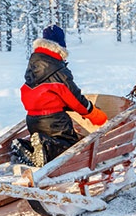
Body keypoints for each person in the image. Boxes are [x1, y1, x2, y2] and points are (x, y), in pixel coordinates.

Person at [12, 24, 108, 167]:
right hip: (55, 121)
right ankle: (45, 147)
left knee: (47, 146)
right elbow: (75, 99)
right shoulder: (57, 69)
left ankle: (25, 146)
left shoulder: (34, 65)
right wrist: (93, 114)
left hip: (33, 120)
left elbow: (41, 93)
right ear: (60, 46)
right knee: (71, 148)